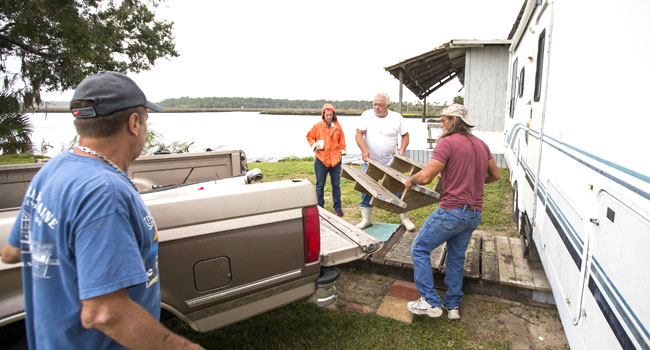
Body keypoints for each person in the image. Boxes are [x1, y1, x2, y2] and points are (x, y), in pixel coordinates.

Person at [0, 72, 202, 349]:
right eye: (145, 121)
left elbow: (11, 253)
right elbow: (105, 313)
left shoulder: (54, 169)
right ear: (134, 123)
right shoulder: (105, 194)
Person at [404, 104, 501, 320]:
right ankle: (453, 306)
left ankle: (429, 301)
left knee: (419, 249)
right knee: (456, 257)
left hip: (452, 211)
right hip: (473, 214)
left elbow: (427, 176)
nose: (441, 124)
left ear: (454, 121)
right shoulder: (481, 145)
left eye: (444, 120)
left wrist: (411, 179)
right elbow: (495, 175)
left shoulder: (446, 143)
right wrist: (474, 181)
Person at [355, 92, 414, 230]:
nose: (376, 107)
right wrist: (364, 150)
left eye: (380, 105)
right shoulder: (367, 115)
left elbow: (405, 135)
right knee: (366, 188)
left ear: (387, 105)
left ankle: (405, 219)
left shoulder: (396, 118)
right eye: (375, 104)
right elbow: (359, 134)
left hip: (391, 161)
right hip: (371, 161)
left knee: (400, 189)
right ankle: (366, 219)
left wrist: (402, 151)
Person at [306, 103, 347, 217]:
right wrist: (314, 144)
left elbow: (342, 139)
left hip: (336, 160)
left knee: (336, 185)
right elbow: (309, 136)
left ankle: (338, 208)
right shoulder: (317, 126)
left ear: (333, 115)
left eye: (330, 115)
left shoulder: (337, 127)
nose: (328, 117)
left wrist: (343, 149)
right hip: (321, 159)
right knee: (320, 185)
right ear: (323, 115)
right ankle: (320, 208)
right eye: (327, 115)